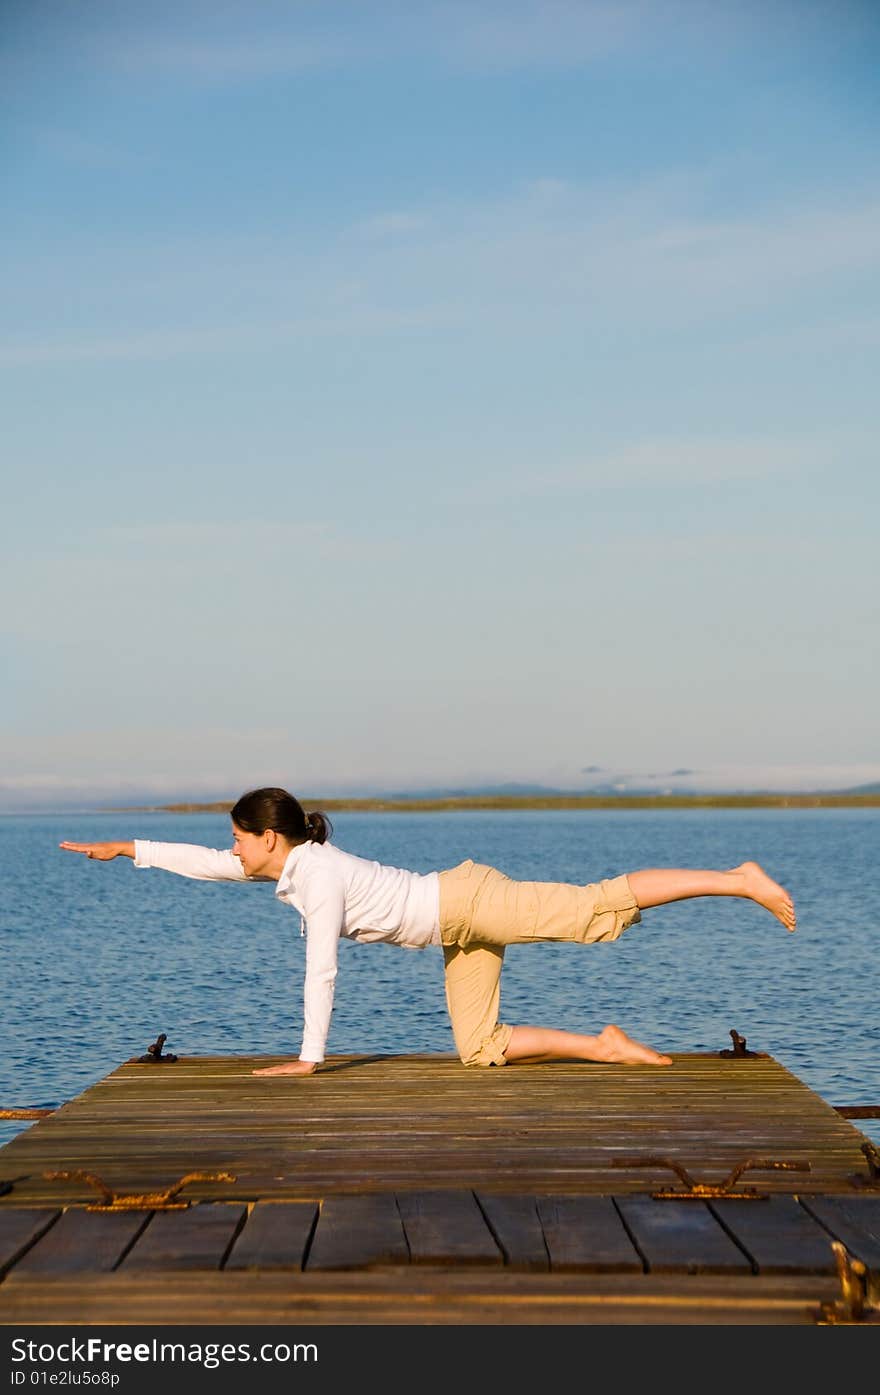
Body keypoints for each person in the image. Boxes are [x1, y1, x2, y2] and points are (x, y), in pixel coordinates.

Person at [60, 786, 796, 1077]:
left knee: (591, 906)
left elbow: (321, 969)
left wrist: (309, 1058)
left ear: (270, 838)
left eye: (240, 839)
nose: (235, 851)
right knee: (478, 1047)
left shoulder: (315, 875)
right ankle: (603, 1044)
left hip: (469, 901)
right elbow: (208, 865)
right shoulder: (290, 864)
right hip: (455, 925)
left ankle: (737, 877)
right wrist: (130, 849)